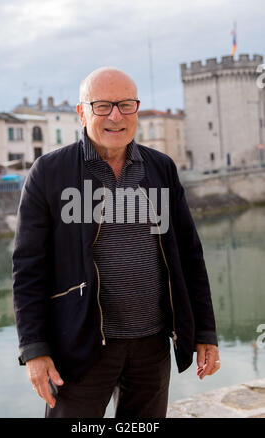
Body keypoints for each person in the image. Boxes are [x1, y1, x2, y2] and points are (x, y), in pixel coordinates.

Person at [12, 67, 220, 418]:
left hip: (152, 345)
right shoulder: (49, 173)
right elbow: (28, 269)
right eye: (103, 105)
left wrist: (205, 332)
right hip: (79, 344)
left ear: (136, 109)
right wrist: (34, 349)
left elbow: (189, 255)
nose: (116, 116)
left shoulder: (161, 168)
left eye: (126, 105)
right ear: (82, 112)